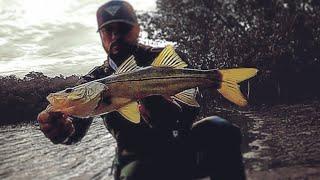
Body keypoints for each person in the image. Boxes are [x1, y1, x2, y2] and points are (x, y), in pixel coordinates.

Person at [37, 1, 245, 179]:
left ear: (137, 29)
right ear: (101, 35)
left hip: (178, 147)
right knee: (138, 172)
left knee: (221, 129)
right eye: (109, 30)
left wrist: (173, 115)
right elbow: (75, 130)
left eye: (123, 28)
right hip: (133, 162)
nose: (115, 35)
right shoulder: (93, 80)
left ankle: (219, 79)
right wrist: (63, 130)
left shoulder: (163, 58)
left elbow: (191, 108)